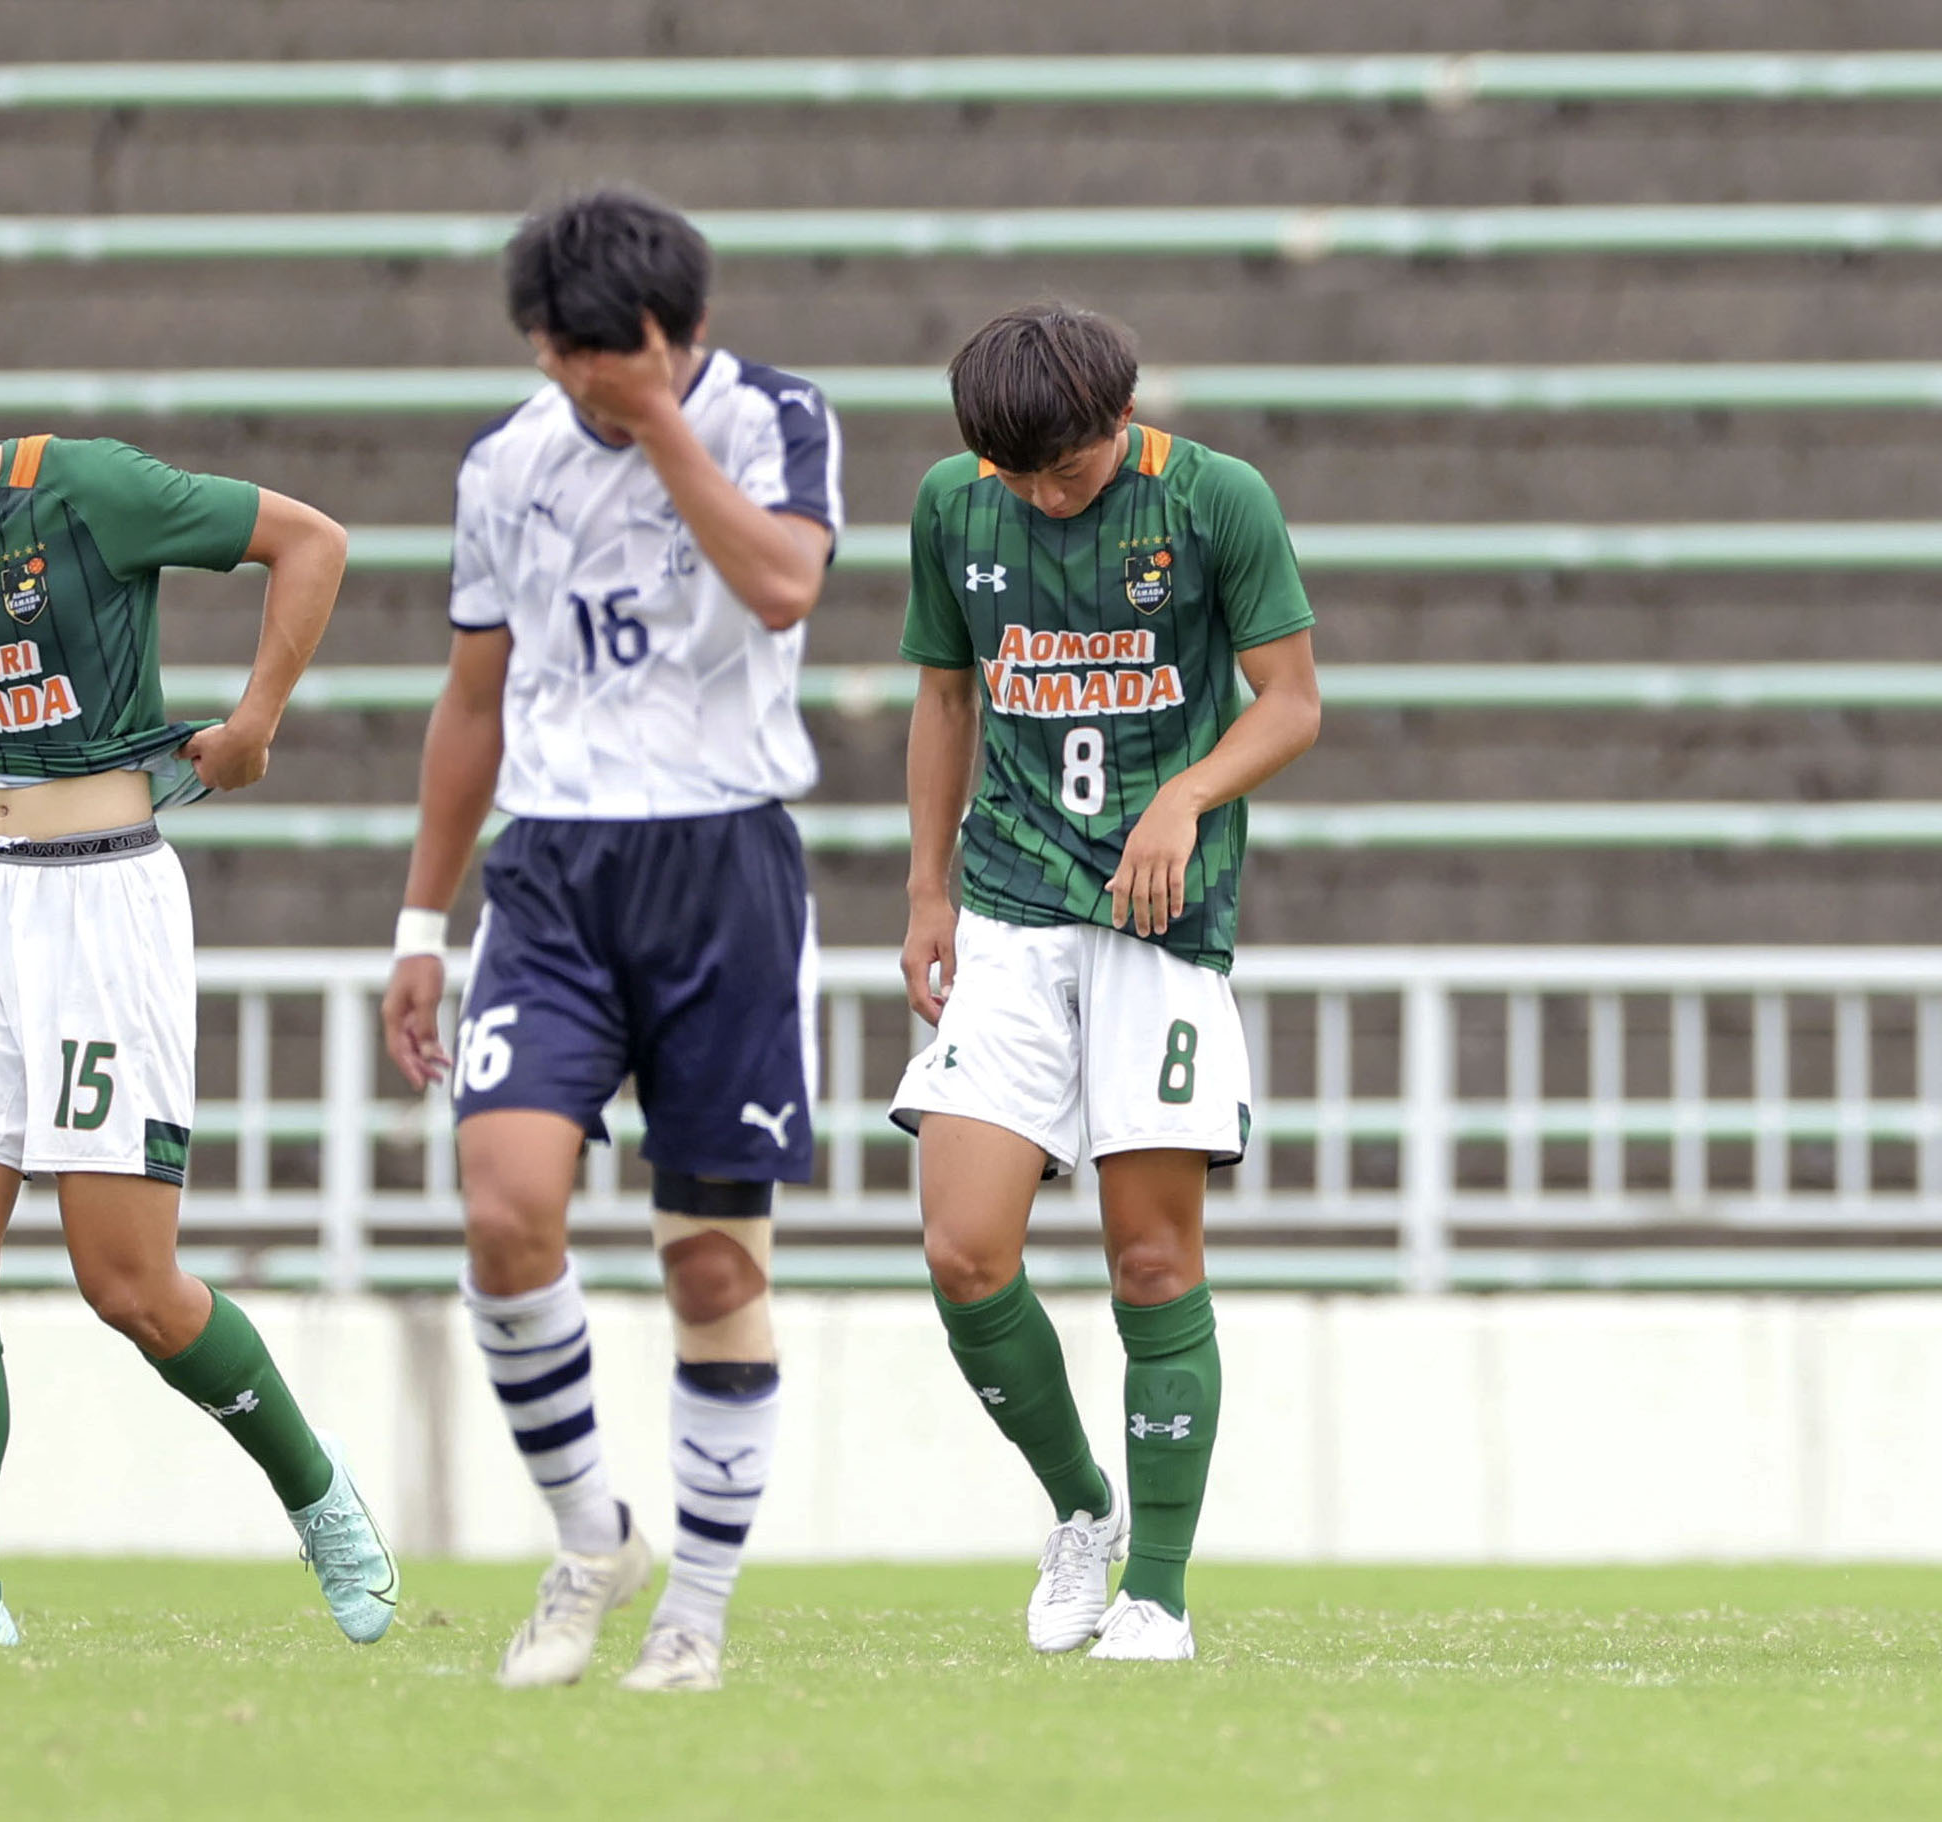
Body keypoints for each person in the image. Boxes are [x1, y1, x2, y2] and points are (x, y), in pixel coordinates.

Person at [0, 360, 386, 1649]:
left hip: (101, 908)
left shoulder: (88, 491)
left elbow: (310, 541)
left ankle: (317, 1494)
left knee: (129, 1283)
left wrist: (258, 721)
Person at [379, 187, 841, 1694]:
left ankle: (695, 1610)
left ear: (679, 332)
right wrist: (418, 924)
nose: (585, 380)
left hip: (725, 863)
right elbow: (471, 700)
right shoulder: (503, 464)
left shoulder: (771, 416)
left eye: (615, 355)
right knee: (506, 1204)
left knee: (711, 1263)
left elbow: (780, 584)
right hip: (557, 872)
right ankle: (593, 1541)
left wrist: (661, 427)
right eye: (564, 355)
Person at [889, 302, 1321, 1663]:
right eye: (1010, 474)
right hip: (1010, 912)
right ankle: (1080, 1507)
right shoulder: (953, 506)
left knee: (1149, 1257)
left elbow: (1290, 700)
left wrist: (1183, 796)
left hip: (1156, 922)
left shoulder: (1211, 500)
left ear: (1115, 423)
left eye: (1058, 472)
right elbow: (945, 696)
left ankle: (1161, 1590)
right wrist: (923, 886)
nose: (1034, 494)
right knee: (964, 1248)